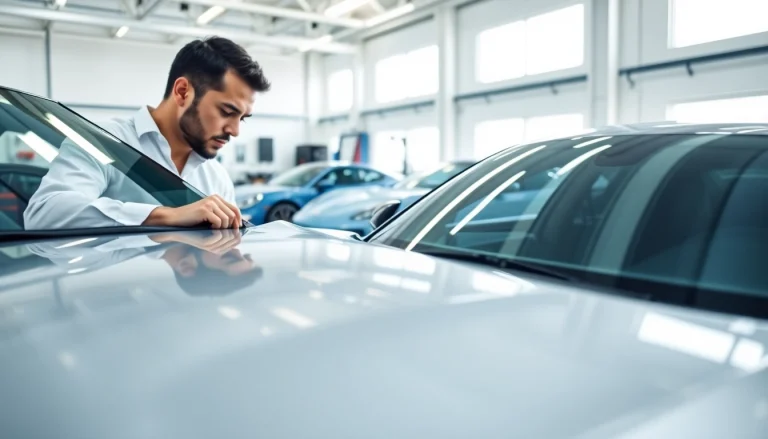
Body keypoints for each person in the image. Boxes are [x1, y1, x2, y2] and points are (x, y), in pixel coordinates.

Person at [24, 36, 271, 230]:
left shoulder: (216, 177)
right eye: (227, 111)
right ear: (183, 92)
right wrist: (168, 215)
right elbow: (44, 213)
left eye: (242, 118)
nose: (235, 131)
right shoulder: (102, 142)